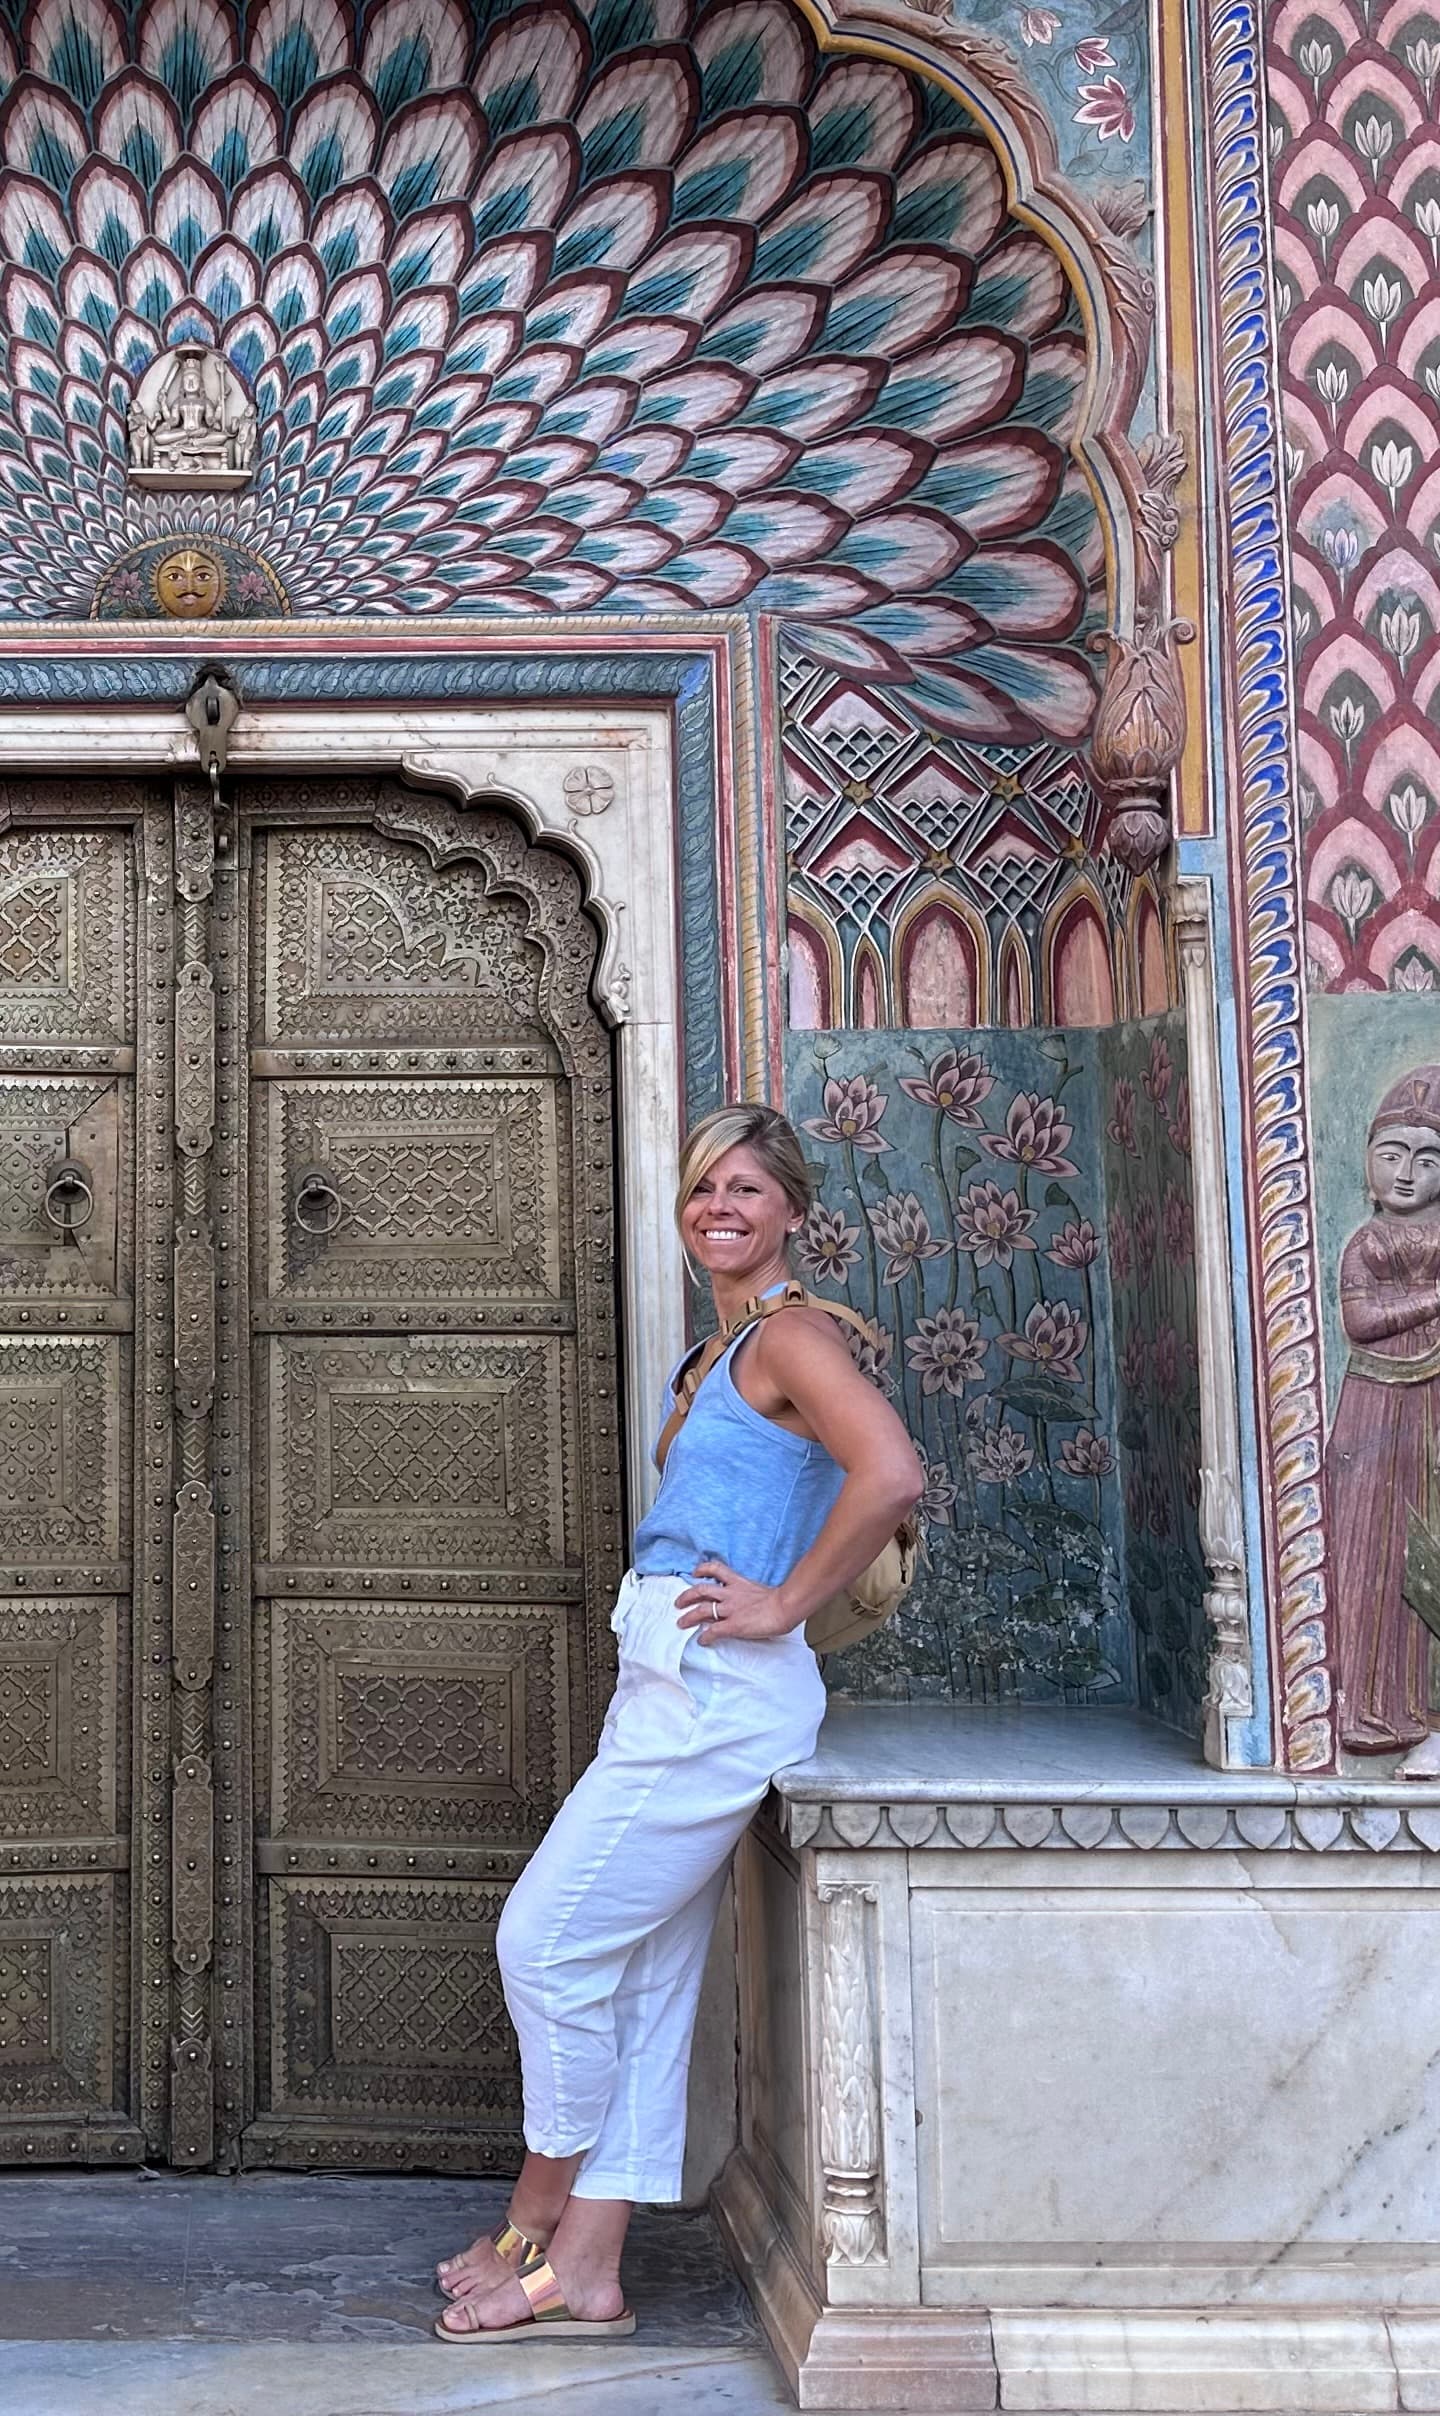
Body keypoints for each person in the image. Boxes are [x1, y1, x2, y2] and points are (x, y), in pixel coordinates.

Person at [433, 1100, 923, 2343]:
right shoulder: (726, 1349)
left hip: (718, 1692)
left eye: (748, 1190)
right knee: (647, 1983)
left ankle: (539, 2207)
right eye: (705, 1188)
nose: (720, 1209)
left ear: (794, 1211)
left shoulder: (794, 1336)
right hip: (675, 1677)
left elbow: (894, 1472)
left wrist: (784, 1604)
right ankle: (582, 2269)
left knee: (541, 1942)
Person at [1326, 1065, 1440, 1770]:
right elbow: (1361, 1320)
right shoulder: (1366, 1244)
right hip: (1376, 1410)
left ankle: (1425, 1705)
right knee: (1374, 1547)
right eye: (1393, 1155)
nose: (1407, 1174)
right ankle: (1369, 1705)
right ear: (1368, 1166)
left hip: (1431, 1408)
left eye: (1427, 1160)